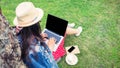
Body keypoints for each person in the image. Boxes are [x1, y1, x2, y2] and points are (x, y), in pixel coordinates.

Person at [13, 2, 82, 68]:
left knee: (59, 29)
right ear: (34, 25)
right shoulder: (36, 50)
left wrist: (38, 37)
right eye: (38, 21)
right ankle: (76, 30)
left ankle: (67, 26)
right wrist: (50, 48)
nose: (39, 22)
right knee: (62, 33)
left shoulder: (16, 32)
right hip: (51, 54)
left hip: (38, 50)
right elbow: (49, 64)